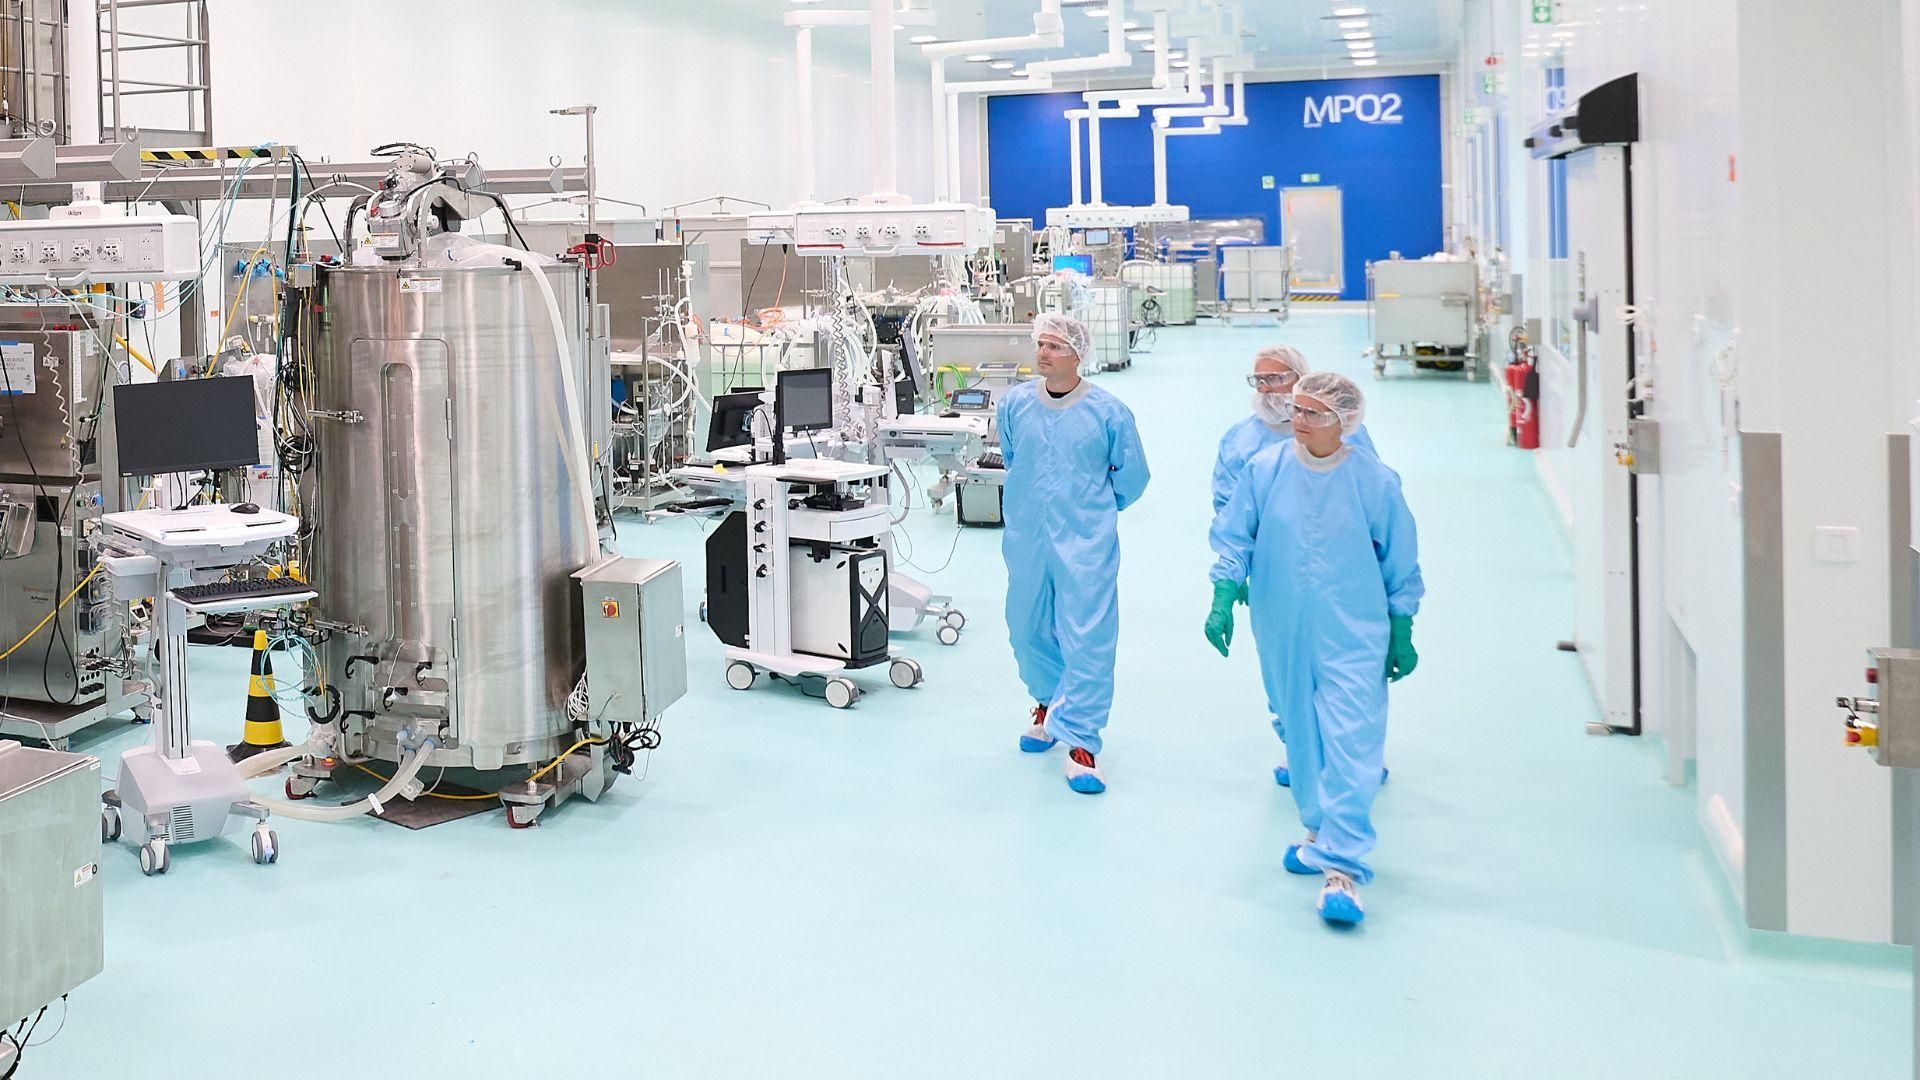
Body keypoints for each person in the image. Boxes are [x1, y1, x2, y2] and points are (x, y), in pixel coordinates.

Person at [1204, 372, 1422, 927]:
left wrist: (1402, 626)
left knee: (1352, 735)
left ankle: (1342, 869)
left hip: (1355, 629)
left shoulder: (1374, 482)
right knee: (1301, 733)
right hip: (1282, 625)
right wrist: (1224, 594)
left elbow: (1399, 559)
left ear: (1343, 420)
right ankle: (1318, 828)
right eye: (1295, 410)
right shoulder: (1266, 471)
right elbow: (1235, 535)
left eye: (1311, 412)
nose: (1297, 420)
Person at [1209, 346, 1378, 790]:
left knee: (1342, 676)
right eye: (1259, 381)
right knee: (1284, 676)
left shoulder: (1350, 440)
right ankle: (1302, 749)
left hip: (1344, 582)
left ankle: (1348, 756)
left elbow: (1376, 513)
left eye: (1277, 379)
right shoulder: (1242, 444)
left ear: (1302, 379)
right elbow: (1230, 515)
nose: (1267, 390)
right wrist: (1232, 576)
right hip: (1275, 579)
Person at [999, 312, 1151, 795]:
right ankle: (1048, 701)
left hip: (1085, 541)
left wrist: (1093, 514)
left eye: (1055, 346)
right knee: (1025, 628)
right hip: (1026, 538)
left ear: (1079, 354)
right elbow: (1012, 458)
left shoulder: (1109, 412)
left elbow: (1131, 479)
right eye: (1040, 343)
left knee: (1088, 637)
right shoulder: (1016, 404)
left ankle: (1082, 742)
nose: (1043, 352)